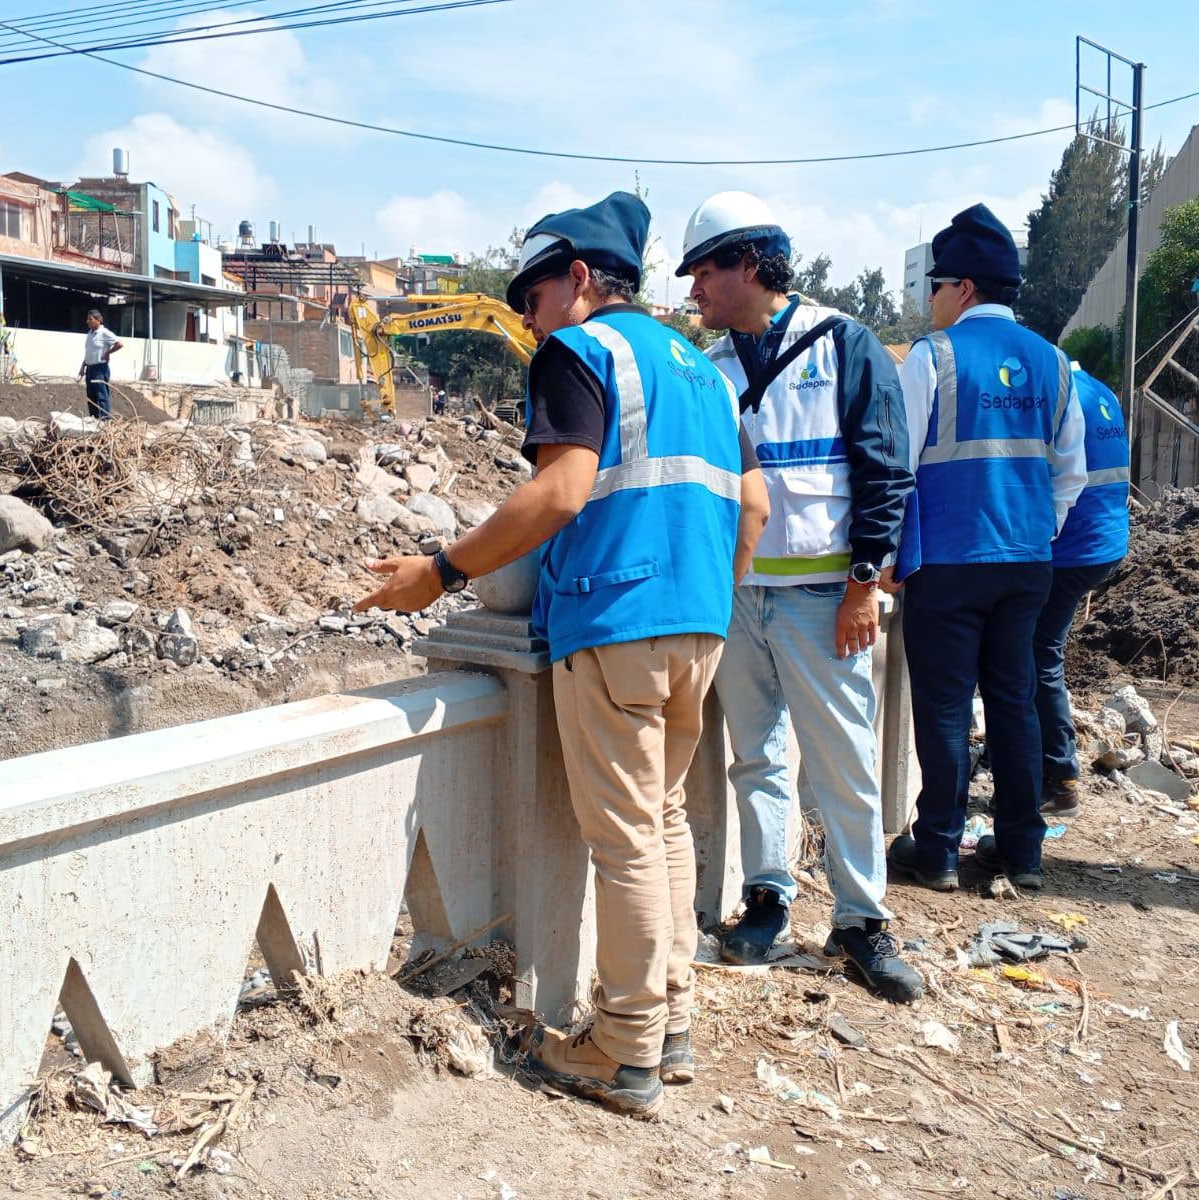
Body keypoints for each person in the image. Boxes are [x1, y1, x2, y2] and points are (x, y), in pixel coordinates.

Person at [355, 191, 768, 1118]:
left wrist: (441, 571)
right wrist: (707, 595)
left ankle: (623, 1051)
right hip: (700, 624)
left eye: (531, 293)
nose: (527, 315)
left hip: (616, 620)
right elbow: (754, 509)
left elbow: (560, 492)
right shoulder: (702, 372)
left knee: (623, 840)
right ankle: (672, 1023)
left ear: (579, 278)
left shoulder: (581, 351)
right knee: (661, 820)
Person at [678, 191, 922, 1003]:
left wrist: (862, 588)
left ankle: (861, 922)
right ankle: (767, 896)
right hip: (741, 603)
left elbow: (886, 472)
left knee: (844, 760)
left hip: (826, 600)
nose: (693, 292)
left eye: (703, 271)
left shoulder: (844, 345)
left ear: (748, 263)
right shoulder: (711, 371)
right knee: (757, 756)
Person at [888, 204, 1086, 894]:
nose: (930, 299)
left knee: (944, 708)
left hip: (946, 562)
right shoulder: (1054, 363)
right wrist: (1036, 533)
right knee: (1014, 700)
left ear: (964, 287)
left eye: (935, 286)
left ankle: (939, 849)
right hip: (1028, 562)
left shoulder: (932, 358)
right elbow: (1071, 474)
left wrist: (883, 558)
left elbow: (896, 466)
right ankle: (1021, 850)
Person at [1033, 365, 1129, 818]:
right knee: (1036, 652)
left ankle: (1060, 778)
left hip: (1072, 548)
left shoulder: (1061, 394)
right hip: (1104, 543)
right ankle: (1027, 755)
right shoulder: (1100, 388)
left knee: (1038, 656)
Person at [77, 310, 123, 420]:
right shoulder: (90, 333)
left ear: (98, 320)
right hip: (90, 369)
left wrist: (108, 352)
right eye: (87, 319)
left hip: (100, 369)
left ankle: (105, 421)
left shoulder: (104, 333)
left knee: (101, 395)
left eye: (90, 319)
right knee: (91, 396)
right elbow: (89, 352)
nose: (87, 321)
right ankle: (94, 419)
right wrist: (83, 366)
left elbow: (119, 344)